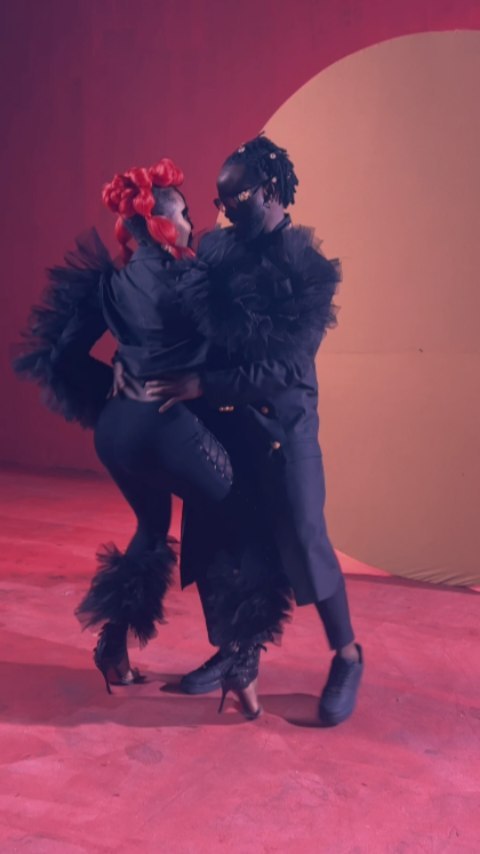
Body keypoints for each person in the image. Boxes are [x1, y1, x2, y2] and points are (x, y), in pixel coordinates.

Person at [13, 157, 290, 719]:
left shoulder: (111, 281)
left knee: (151, 527)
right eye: (183, 215)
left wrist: (113, 379)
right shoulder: (192, 281)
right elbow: (237, 350)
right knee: (244, 513)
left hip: (116, 429)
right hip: (166, 429)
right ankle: (240, 659)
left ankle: (113, 648)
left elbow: (59, 357)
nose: (192, 223)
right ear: (162, 225)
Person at [142, 135, 364, 727]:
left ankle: (347, 655)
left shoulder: (307, 268)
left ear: (268, 192)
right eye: (218, 203)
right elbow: (187, 313)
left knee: (304, 538)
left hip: (282, 426)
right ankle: (236, 653)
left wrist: (203, 384)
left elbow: (285, 369)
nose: (223, 213)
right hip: (224, 422)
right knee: (219, 539)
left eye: (234, 201)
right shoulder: (219, 247)